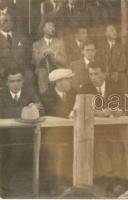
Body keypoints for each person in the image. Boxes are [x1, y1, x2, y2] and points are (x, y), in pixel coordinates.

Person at [0, 68, 43, 197]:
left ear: (23, 81)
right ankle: (3, 187)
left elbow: (42, 110)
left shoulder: (30, 92)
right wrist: (27, 109)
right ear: (6, 83)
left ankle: (4, 186)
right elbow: (2, 113)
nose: (15, 84)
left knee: (18, 150)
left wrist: (12, 111)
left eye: (18, 80)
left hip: (26, 136)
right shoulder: (2, 95)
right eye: (11, 81)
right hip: (4, 136)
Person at [40, 68, 76, 194]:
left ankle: (72, 184)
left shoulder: (73, 93)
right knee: (56, 152)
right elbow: (55, 111)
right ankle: (55, 185)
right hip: (52, 135)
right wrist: (72, 113)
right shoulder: (46, 96)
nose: (71, 81)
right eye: (69, 79)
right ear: (58, 82)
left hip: (70, 133)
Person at [32, 20, 67, 94]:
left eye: (53, 27)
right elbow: (35, 62)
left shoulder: (60, 43)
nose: (52, 29)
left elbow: (65, 61)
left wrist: (54, 54)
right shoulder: (36, 44)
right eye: (49, 26)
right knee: (42, 73)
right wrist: (44, 53)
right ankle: (45, 99)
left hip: (57, 69)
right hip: (43, 70)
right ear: (43, 29)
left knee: (59, 75)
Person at [0, 14, 32, 89]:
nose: (9, 22)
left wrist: (25, 67)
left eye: (10, 20)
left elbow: (28, 54)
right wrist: (2, 71)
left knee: (30, 76)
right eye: (5, 20)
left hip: (21, 69)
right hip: (4, 71)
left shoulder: (20, 37)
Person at [98, 25, 126, 93]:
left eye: (115, 30)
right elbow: (98, 60)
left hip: (117, 74)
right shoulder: (100, 46)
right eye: (112, 30)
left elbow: (123, 62)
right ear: (106, 33)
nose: (115, 32)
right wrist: (105, 71)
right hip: (104, 73)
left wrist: (117, 72)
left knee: (123, 80)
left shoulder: (120, 47)